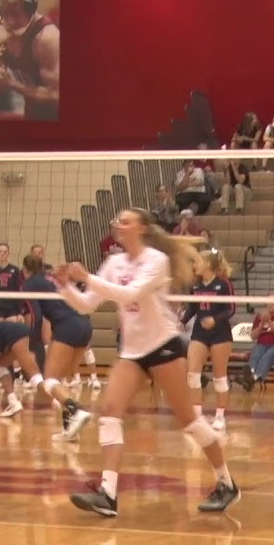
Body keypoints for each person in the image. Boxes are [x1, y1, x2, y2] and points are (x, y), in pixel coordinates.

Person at [60, 208, 239, 517]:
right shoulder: (114, 262)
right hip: (133, 351)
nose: (118, 224)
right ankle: (108, 494)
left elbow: (131, 293)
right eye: (117, 220)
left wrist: (86, 277)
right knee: (109, 412)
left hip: (163, 345)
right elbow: (87, 304)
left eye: (126, 221)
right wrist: (64, 285)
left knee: (189, 421)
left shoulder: (156, 260)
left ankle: (226, 482)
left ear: (141, 228)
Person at [21, 254, 94, 440]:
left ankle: (76, 410)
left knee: (50, 381)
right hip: (84, 324)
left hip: (66, 327)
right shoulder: (50, 279)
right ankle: (69, 430)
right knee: (60, 382)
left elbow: (36, 317)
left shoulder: (29, 284)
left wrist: (32, 344)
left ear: (25, 270)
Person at [181, 250, 236, 430]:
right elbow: (192, 308)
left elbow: (231, 309)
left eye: (197, 262)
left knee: (219, 377)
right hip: (199, 333)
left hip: (220, 334)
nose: (194, 265)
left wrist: (216, 319)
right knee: (192, 375)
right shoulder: (195, 286)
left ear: (208, 264)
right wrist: (181, 321)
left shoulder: (223, 284)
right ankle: (197, 416)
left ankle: (220, 416)